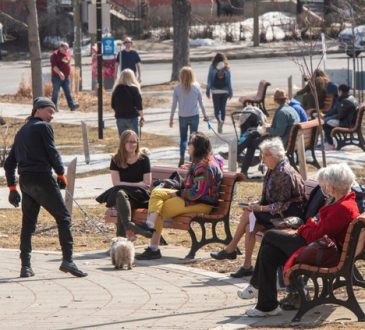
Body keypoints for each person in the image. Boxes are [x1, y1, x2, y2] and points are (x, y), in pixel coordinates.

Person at [238, 163, 359, 317]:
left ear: (332, 186)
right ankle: (267, 306)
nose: (325, 188)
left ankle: (255, 285)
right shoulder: (343, 203)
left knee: (270, 236)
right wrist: (308, 227)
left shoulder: (342, 207)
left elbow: (315, 234)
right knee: (269, 252)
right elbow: (316, 228)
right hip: (319, 248)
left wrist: (303, 228)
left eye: (326, 184)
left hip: (323, 253)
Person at [3, 97, 87, 278]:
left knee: (28, 224)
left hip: (25, 181)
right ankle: (68, 260)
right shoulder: (43, 127)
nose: (52, 116)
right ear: (38, 110)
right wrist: (60, 174)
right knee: (63, 218)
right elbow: (52, 152)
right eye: (50, 111)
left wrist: (12, 188)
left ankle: (25, 265)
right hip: (42, 178)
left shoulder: (22, 131)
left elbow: (9, 164)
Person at [211, 137, 306, 277]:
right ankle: (246, 265)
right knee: (251, 224)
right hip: (276, 212)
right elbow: (268, 198)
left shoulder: (283, 173)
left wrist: (259, 208)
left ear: (275, 156)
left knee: (250, 215)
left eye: (265, 155)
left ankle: (231, 248)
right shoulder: (273, 169)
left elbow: (282, 205)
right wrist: (257, 204)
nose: (262, 159)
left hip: (287, 215)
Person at [129, 131, 223, 260]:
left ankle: (153, 246)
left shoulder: (203, 167)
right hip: (193, 200)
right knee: (157, 193)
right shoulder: (200, 163)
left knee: (158, 209)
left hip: (201, 203)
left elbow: (197, 192)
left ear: (197, 147)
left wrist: (178, 193)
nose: (188, 146)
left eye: (190, 143)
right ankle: (150, 228)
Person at [96, 130, 152, 237]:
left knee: (120, 194)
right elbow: (116, 183)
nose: (132, 145)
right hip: (124, 197)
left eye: (134, 142)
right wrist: (136, 184)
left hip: (140, 196)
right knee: (121, 195)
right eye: (128, 142)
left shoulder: (144, 159)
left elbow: (147, 183)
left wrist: (125, 185)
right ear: (123, 143)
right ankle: (128, 226)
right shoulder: (116, 159)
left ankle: (120, 241)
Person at [239, 89, 300, 178]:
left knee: (251, 143)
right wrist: (269, 127)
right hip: (290, 141)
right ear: (286, 99)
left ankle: (242, 169)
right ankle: (239, 157)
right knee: (253, 137)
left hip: (282, 142)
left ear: (275, 100)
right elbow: (283, 127)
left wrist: (267, 129)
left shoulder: (282, 112)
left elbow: (279, 132)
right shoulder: (291, 109)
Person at [170, 66, 209, 167]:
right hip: (194, 115)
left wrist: (171, 118)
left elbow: (174, 105)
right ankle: (192, 158)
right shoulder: (196, 87)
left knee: (183, 138)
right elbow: (201, 103)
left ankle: (182, 157)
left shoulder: (177, 88)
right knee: (193, 139)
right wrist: (205, 115)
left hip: (182, 116)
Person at [323, 84, 358, 150]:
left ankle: (329, 144)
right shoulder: (350, 98)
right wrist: (326, 116)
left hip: (346, 123)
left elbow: (340, 115)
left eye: (338, 91)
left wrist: (328, 118)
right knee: (327, 121)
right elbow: (336, 111)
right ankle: (327, 142)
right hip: (349, 121)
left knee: (325, 124)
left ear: (341, 91)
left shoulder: (345, 101)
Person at [111, 69, 144, 136]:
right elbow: (139, 106)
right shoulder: (134, 89)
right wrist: (142, 117)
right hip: (132, 117)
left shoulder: (116, 89)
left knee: (123, 140)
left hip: (120, 118)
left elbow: (113, 105)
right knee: (133, 139)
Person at [206, 52, 233, 133]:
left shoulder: (212, 67)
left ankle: (219, 120)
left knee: (216, 109)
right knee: (223, 108)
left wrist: (208, 90)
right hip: (225, 91)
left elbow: (209, 80)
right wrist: (230, 92)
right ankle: (222, 122)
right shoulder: (226, 68)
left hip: (215, 91)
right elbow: (229, 81)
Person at [50, 42, 79, 111]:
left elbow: (68, 61)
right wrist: (60, 73)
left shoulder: (67, 52)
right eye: (65, 49)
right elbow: (54, 67)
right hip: (57, 77)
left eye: (67, 49)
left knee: (68, 92)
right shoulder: (55, 55)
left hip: (66, 77)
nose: (67, 50)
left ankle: (72, 106)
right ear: (60, 48)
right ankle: (53, 107)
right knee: (56, 92)